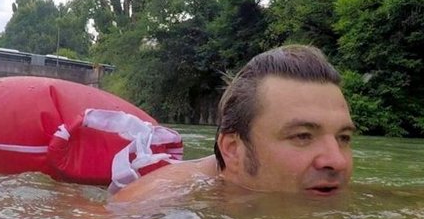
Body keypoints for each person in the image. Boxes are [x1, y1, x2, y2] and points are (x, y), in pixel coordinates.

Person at [110, 44, 356, 203]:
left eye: (343, 138)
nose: (337, 161)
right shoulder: (157, 197)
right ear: (233, 149)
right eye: (303, 136)